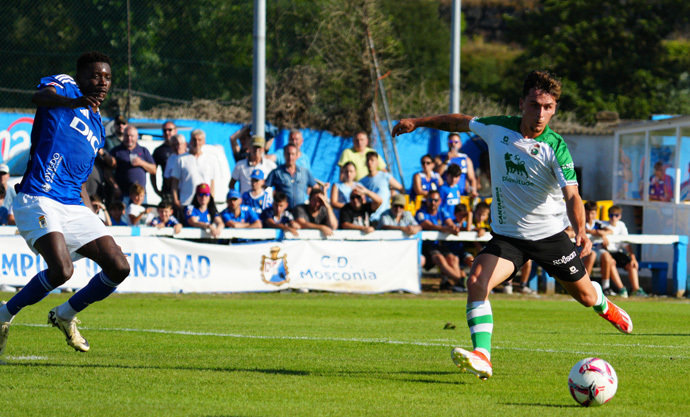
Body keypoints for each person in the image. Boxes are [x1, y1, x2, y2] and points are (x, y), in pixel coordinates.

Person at [392, 70, 632, 380]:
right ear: (522, 104)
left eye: (548, 107)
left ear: (555, 108)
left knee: (585, 297)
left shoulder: (555, 147)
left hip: (549, 237)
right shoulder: (497, 128)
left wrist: (582, 231)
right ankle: (482, 355)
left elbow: (572, 195)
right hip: (508, 237)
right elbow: (458, 121)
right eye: (534, 105)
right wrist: (418, 122)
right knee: (477, 279)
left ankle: (603, 303)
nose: (540, 113)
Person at [0, 51, 130, 355]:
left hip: (72, 204)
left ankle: (65, 314)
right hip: (38, 197)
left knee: (119, 267)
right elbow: (39, 97)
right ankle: (4, 314)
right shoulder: (66, 87)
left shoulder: (97, 125)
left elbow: (78, 176)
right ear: (81, 76)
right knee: (62, 270)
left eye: (107, 77)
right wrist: (71, 102)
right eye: (95, 75)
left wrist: (89, 205)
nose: (102, 82)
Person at [416, 189, 464, 291]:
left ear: (440, 201)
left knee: (453, 258)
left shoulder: (442, 211)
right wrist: (446, 229)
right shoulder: (421, 212)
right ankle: (461, 280)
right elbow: (428, 225)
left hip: (440, 245)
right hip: (426, 246)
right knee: (440, 259)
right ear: (426, 200)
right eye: (431, 200)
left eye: (435, 200)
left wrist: (453, 228)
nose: (433, 203)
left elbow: (449, 223)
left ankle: (457, 285)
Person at [581, 201, 626, 297]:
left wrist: (602, 234)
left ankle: (606, 287)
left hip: (597, 250)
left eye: (592, 213)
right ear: (584, 212)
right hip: (583, 251)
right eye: (587, 213)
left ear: (596, 214)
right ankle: (586, 285)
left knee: (606, 255)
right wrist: (595, 232)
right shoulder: (581, 222)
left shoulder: (598, 223)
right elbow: (572, 230)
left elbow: (609, 231)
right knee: (592, 254)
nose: (589, 215)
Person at [601, 205, 647, 297]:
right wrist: (603, 235)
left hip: (618, 252)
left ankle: (636, 289)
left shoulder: (621, 225)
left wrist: (633, 258)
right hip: (606, 252)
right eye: (611, 215)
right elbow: (599, 233)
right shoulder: (603, 225)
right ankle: (621, 289)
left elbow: (626, 243)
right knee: (611, 262)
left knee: (631, 264)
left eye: (616, 215)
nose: (613, 218)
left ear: (620, 216)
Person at [168, 129, 216, 216]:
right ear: (190, 141)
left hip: (203, 204)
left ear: (204, 142)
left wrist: (211, 201)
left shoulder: (209, 159)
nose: (196, 143)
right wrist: (176, 200)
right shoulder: (181, 159)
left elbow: (212, 182)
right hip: (186, 202)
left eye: (199, 140)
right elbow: (174, 182)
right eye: (194, 140)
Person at [111, 125, 156, 202]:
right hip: (123, 194)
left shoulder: (143, 150)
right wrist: (115, 186)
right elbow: (107, 171)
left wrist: (141, 163)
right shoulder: (116, 151)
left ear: (137, 137)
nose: (129, 139)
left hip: (140, 195)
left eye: (132, 136)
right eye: (126, 136)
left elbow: (154, 170)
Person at [265, 143, 317, 209]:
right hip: (283, 212)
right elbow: (265, 188)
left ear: (297, 156)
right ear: (284, 155)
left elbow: (316, 188)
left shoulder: (305, 172)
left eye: (293, 154)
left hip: (301, 212)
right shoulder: (276, 172)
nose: (290, 157)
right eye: (288, 154)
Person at [359, 151, 403, 224]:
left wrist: (392, 192)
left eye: (372, 160)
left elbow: (401, 188)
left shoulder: (385, 176)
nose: (370, 162)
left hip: (385, 217)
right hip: (370, 218)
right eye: (368, 160)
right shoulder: (362, 181)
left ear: (377, 163)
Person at [437, 133, 478, 198]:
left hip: (461, 195)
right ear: (447, 144)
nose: (453, 144)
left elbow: (472, 178)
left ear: (460, 144)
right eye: (451, 142)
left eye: (456, 142)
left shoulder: (466, 159)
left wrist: (473, 191)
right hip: (445, 196)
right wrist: (446, 160)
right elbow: (436, 174)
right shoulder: (441, 157)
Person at [151, 121, 178, 200]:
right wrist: (156, 189)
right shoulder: (159, 151)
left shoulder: (185, 148)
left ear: (175, 131)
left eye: (170, 130)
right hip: (167, 191)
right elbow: (153, 172)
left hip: (183, 191)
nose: (167, 132)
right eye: (164, 130)